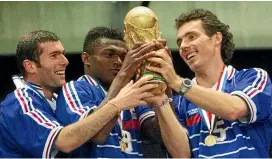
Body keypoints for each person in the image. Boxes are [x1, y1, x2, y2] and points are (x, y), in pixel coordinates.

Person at [0, 30, 159, 157]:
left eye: (63, 53)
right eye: (54, 55)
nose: (65, 61)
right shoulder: (20, 102)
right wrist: (118, 101)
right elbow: (65, 142)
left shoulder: (54, 99)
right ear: (30, 66)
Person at [145, 8, 272, 158]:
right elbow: (181, 154)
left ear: (217, 38)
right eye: (179, 42)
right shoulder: (180, 103)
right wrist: (161, 101)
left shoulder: (253, 77)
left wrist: (176, 81)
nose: (183, 46)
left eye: (191, 37)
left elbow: (233, 109)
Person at [55, 26, 166, 158]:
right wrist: (124, 75)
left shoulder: (131, 91)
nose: (119, 62)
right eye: (109, 54)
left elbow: (156, 135)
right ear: (86, 59)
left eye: (123, 56)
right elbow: (98, 135)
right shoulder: (76, 89)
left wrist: (163, 84)